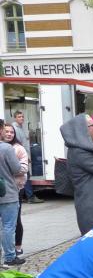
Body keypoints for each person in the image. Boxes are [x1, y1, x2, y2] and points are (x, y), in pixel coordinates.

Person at [0, 123, 22, 266]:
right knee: (8, 226)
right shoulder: (6, 148)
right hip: (7, 192)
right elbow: (16, 169)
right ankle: (10, 257)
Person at [5, 124, 28, 258]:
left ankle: (18, 247)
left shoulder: (19, 149)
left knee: (15, 219)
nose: (9, 134)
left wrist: (8, 170)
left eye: (12, 132)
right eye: (6, 132)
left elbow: (24, 168)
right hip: (3, 189)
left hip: (16, 188)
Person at [11, 111, 42, 203]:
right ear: (15, 118)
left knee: (24, 176)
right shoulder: (15, 129)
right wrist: (25, 156)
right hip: (20, 156)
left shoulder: (20, 128)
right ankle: (30, 196)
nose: (22, 118)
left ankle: (22, 195)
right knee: (26, 175)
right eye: (19, 117)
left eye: (22, 116)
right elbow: (19, 144)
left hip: (22, 155)